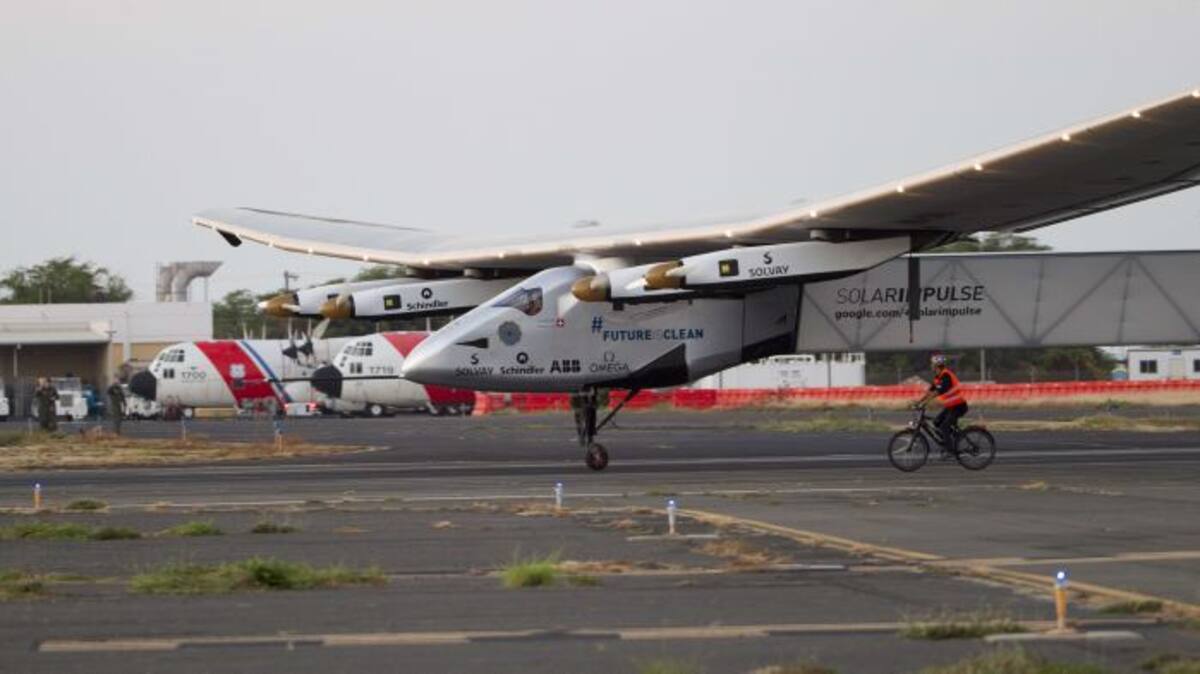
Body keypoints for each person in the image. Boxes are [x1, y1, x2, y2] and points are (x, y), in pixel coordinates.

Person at [913, 354, 968, 453]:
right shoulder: (937, 378)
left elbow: (938, 392)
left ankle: (950, 450)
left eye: (932, 364)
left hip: (959, 406)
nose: (931, 366)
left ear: (936, 365)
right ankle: (951, 440)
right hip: (951, 406)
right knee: (936, 422)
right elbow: (930, 392)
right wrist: (919, 402)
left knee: (944, 427)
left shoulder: (946, 375)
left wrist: (925, 403)